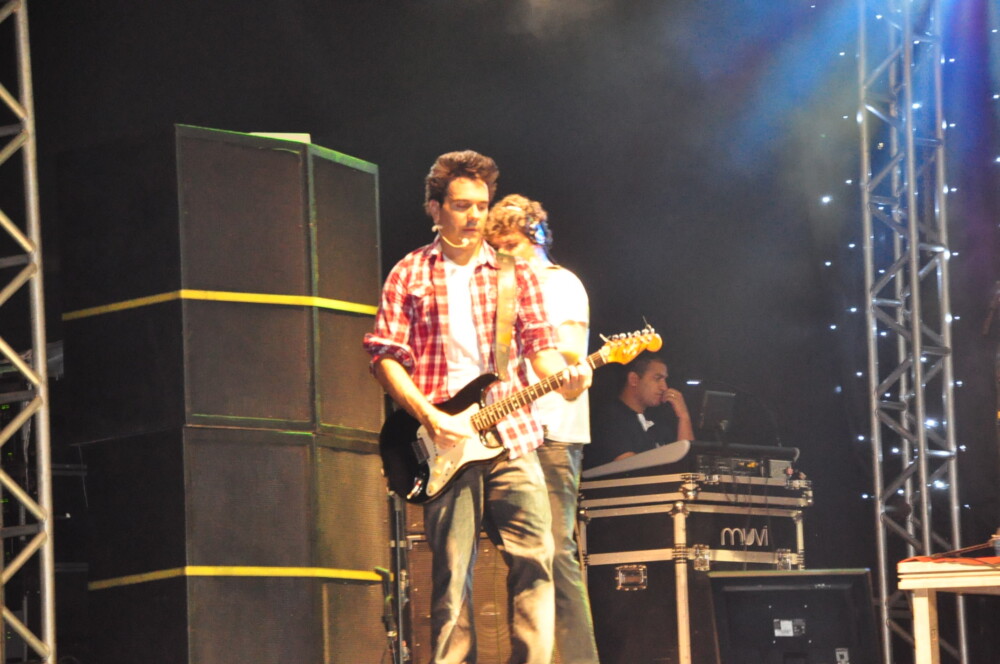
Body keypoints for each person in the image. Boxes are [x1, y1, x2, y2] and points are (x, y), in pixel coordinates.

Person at [362, 150, 592, 664]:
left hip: (512, 435)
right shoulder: (409, 274)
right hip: (445, 441)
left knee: (538, 560)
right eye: (462, 206)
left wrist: (570, 377)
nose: (474, 217)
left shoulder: (514, 273)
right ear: (435, 208)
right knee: (451, 576)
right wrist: (430, 416)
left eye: (482, 206)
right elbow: (384, 356)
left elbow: (541, 348)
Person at [484, 195, 599, 664]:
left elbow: (569, 352)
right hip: (506, 428)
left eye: (511, 245)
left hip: (552, 430)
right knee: (524, 555)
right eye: (497, 248)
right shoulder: (497, 283)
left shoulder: (561, 284)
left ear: (538, 237)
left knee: (554, 552)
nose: (504, 255)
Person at [585, 352, 694, 469]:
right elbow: (631, 469)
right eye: (657, 378)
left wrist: (684, 417)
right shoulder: (609, 418)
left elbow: (687, 464)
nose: (664, 387)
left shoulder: (658, 423)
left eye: (664, 380)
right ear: (634, 379)